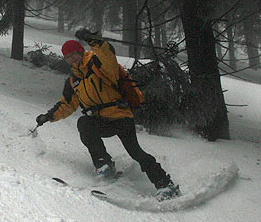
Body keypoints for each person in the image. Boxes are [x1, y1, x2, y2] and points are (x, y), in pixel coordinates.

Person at [35, 29, 181, 201]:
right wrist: (49, 116)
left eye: (73, 54)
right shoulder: (73, 80)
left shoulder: (98, 65)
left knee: (135, 152)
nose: (71, 59)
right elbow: (67, 104)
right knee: (84, 123)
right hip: (100, 120)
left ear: (80, 52)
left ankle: (165, 185)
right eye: (67, 57)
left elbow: (108, 56)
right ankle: (104, 165)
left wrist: (94, 41)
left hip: (120, 116)